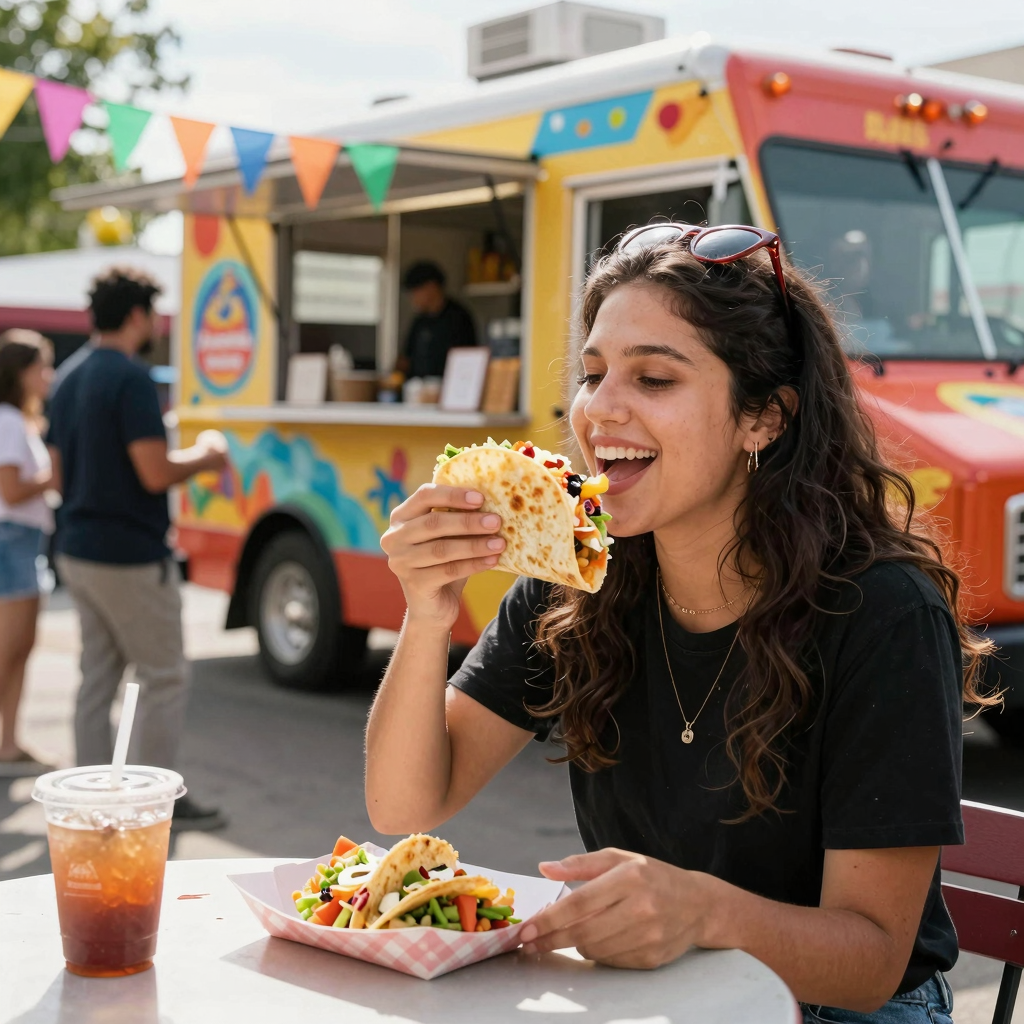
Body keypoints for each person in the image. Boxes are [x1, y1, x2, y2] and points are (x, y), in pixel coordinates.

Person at [369, 222, 997, 1021]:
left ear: (763, 418)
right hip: (653, 996)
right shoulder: (574, 581)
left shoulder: (880, 613)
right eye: (593, 375)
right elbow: (402, 807)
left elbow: (872, 959)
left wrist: (701, 913)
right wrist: (427, 613)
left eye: (654, 379)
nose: (600, 411)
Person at [46, 268, 229, 828]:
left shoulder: (68, 377)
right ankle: (153, 808)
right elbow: (154, 472)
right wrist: (207, 453)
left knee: (97, 679)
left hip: (76, 549)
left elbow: (55, 474)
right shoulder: (131, 378)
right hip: (128, 554)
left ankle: (84, 805)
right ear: (135, 315)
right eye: (151, 313)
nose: (153, 323)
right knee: (164, 676)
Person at [0, 330, 57, 776]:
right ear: (20, 373)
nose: (49, 376)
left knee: (19, 649)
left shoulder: (18, 419)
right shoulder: (7, 420)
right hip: (12, 538)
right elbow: (12, 490)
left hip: (23, 539)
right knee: (9, 649)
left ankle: (9, 743)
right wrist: (54, 474)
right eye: (43, 366)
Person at [397, 261, 477, 380]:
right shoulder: (419, 321)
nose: (412, 298)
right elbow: (405, 358)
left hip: (448, 388)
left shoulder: (458, 317)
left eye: (415, 292)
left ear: (431, 287)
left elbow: (468, 360)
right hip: (417, 389)